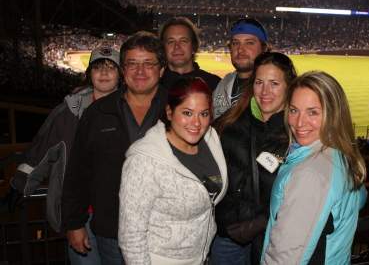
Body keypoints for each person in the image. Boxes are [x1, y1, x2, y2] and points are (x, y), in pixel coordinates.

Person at [3, 46, 123, 264]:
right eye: (98, 67)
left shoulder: (134, 110)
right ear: (89, 75)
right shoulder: (68, 112)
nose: (104, 73)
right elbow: (40, 152)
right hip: (78, 216)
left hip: (118, 214)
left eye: (110, 68)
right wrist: (19, 186)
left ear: (120, 75)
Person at [61, 31, 168, 265]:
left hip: (166, 233)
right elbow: (78, 173)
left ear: (161, 70)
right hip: (113, 234)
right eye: (132, 64)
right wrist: (74, 223)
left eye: (148, 64)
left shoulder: (178, 111)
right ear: (123, 70)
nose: (140, 72)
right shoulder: (96, 113)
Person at [260, 71, 367, 264]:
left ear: (333, 115)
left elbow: (285, 257)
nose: (299, 123)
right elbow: (359, 198)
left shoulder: (310, 175)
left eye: (313, 112)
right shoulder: (338, 154)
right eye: (294, 110)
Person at [118, 77, 228, 264]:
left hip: (201, 257)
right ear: (169, 112)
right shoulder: (143, 161)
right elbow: (131, 236)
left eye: (203, 114)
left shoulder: (211, 138)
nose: (196, 123)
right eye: (187, 112)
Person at [211, 52, 297, 265]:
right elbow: (206, 165)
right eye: (259, 82)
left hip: (270, 239)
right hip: (226, 237)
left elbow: (301, 196)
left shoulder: (298, 133)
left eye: (274, 83)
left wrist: (260, 223)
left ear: (289, 86)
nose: (265, 91)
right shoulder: (229, 123)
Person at [212, 18, 269, 119]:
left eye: (249, 43)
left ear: (264, 48)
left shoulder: (274, 88)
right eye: (235, 43)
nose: (240, 49)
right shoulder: (225, 82)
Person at [159, 17, 221, 91]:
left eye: (183, 41)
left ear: (193, 47)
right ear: (163, 48)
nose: (177, 46)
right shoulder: (153, 85)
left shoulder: (216, 84)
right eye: (171, 41)